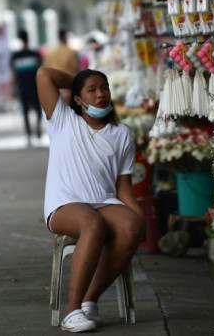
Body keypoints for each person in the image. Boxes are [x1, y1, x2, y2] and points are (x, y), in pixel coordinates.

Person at [37, 66, 145, 333]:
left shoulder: (123, 134)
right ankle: (71, 312)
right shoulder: (62, 120)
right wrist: (77, 82)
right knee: (93, 224)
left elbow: (123, 186)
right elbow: (43, 74)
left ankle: (88, 301)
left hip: (105, 202)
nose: (101, 94)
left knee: (131, 226)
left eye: (104, 88)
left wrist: (139, 218)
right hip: (64, 204)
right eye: (92, 90)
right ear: (77, 98)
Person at [10, 30, 42, 146]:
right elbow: (41, 71)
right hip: (35, 87)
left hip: (22, 87)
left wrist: (12, 88)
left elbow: (13, 74)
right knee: (38, 110)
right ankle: (37, 129)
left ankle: (29, 134)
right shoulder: (35, 54)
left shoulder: (15, 56)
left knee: (25, 111)